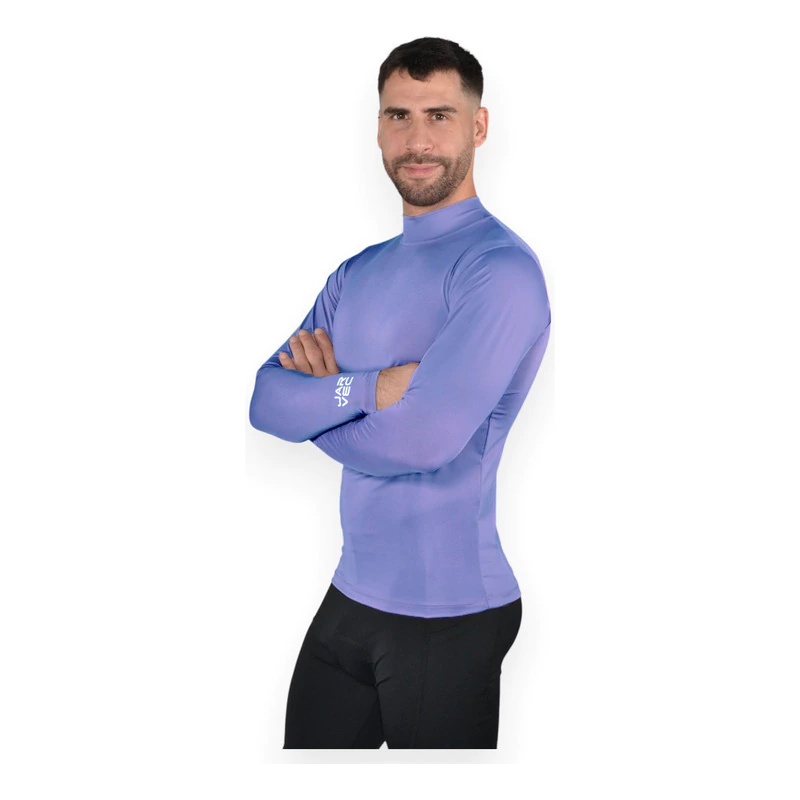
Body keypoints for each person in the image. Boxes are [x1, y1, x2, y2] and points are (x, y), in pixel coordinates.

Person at [249, 36, 551, 749]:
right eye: (398, 116)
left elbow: (422, 441)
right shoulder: (356, 273)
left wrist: (317, 409)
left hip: (448, 616)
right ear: (378, 127)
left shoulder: (500, 271)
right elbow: (265, 400)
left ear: (479, 126)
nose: (417, 140)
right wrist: (373, 387)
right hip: (351, 595)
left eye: (439, 115)